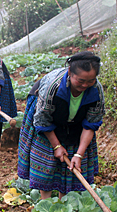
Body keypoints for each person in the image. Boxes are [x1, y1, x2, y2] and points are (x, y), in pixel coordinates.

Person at [17, 51, 105, 199]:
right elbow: (43, 120)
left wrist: (79, 154)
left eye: (90, 81)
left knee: (71, 157)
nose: (85, 85)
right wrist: (57, 146)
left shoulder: (96, 90)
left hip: (76, 122)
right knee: (46, 157)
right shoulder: (53, 87)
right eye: (81, 80)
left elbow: (91, 124)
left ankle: (64, 201)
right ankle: (46, 202)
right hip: (46, 118)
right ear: (70, 72)